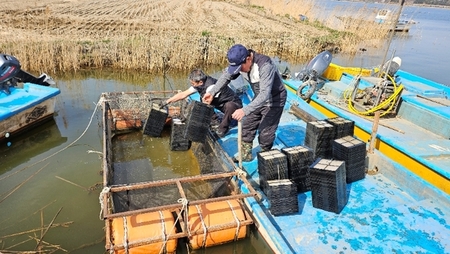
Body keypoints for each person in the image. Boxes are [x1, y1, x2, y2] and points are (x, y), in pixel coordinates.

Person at [203, 44, 287, 161]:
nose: (239, 71)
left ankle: (266, 158)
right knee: (247, 126)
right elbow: (226, 77)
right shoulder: (240, 63)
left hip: (274, 100)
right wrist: (212, 92)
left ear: (248, 59)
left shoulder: (264, 65)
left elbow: (265, 94)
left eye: (240, 68)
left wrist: (244, 110)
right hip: (259, 98)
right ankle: (245, 156)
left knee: (265, 133)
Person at [165, 69, 242, 137]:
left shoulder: (210, 86)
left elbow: (206, 104)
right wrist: (167, 101)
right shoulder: (200, 84)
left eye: (193, 83)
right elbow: (183, 94)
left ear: (200, 82)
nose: (192, 85)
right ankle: (215, 121)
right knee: (203, 99)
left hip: (234, 106)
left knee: (229, 105)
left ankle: (223, 129)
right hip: (220, 104)